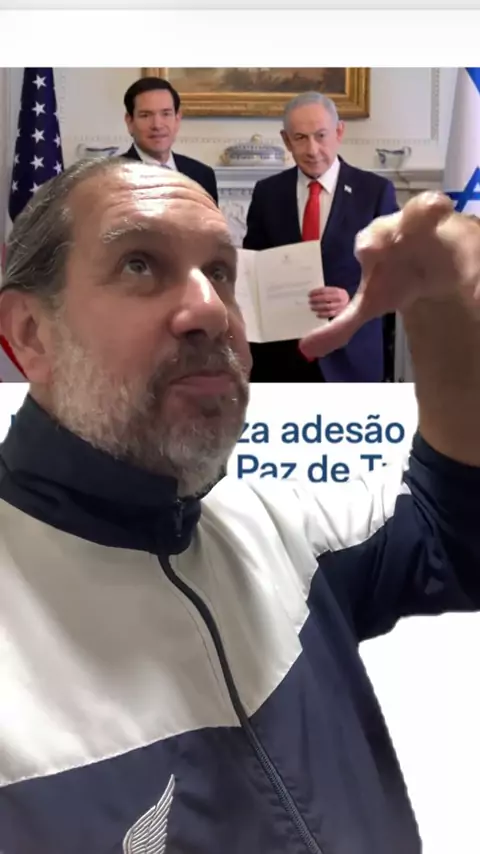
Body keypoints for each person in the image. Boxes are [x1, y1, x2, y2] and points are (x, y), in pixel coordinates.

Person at [0, 157, 479, 854]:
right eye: (140, 264)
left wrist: (443, 308)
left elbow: (455, 538)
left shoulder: (284, 531)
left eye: (221, 271)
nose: (210, 309)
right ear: (30, 333)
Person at [244, 91, 399, 382]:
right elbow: (253, 270)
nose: (312, 149)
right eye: (300, 138)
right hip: (280, 361)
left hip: (351, 360)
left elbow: (396, 273)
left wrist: (352, 300)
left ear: (339, 132)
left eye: (321, 136)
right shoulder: (268, 193)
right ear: (286, 140)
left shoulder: (375, 192)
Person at [121, 75, 219, 203]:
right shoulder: (112, 177)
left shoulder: (202, 175)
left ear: (177, 119)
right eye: (145, 115)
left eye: (166, 114)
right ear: (130, 122)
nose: (157, 125)